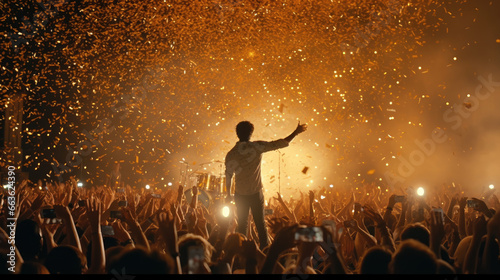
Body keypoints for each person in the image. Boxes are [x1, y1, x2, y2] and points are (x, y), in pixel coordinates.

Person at [224, 120, 307, 250]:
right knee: (261, 225)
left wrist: (228, 194)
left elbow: (228, 176)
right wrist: (295, 132)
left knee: (242, 225)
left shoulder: (231, 154)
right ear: (251, 133)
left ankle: (240, 254)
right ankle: (265, 251)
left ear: (237, 134)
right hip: (256, 192)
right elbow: (280, 143)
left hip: (240, 194)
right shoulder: (257, 147)